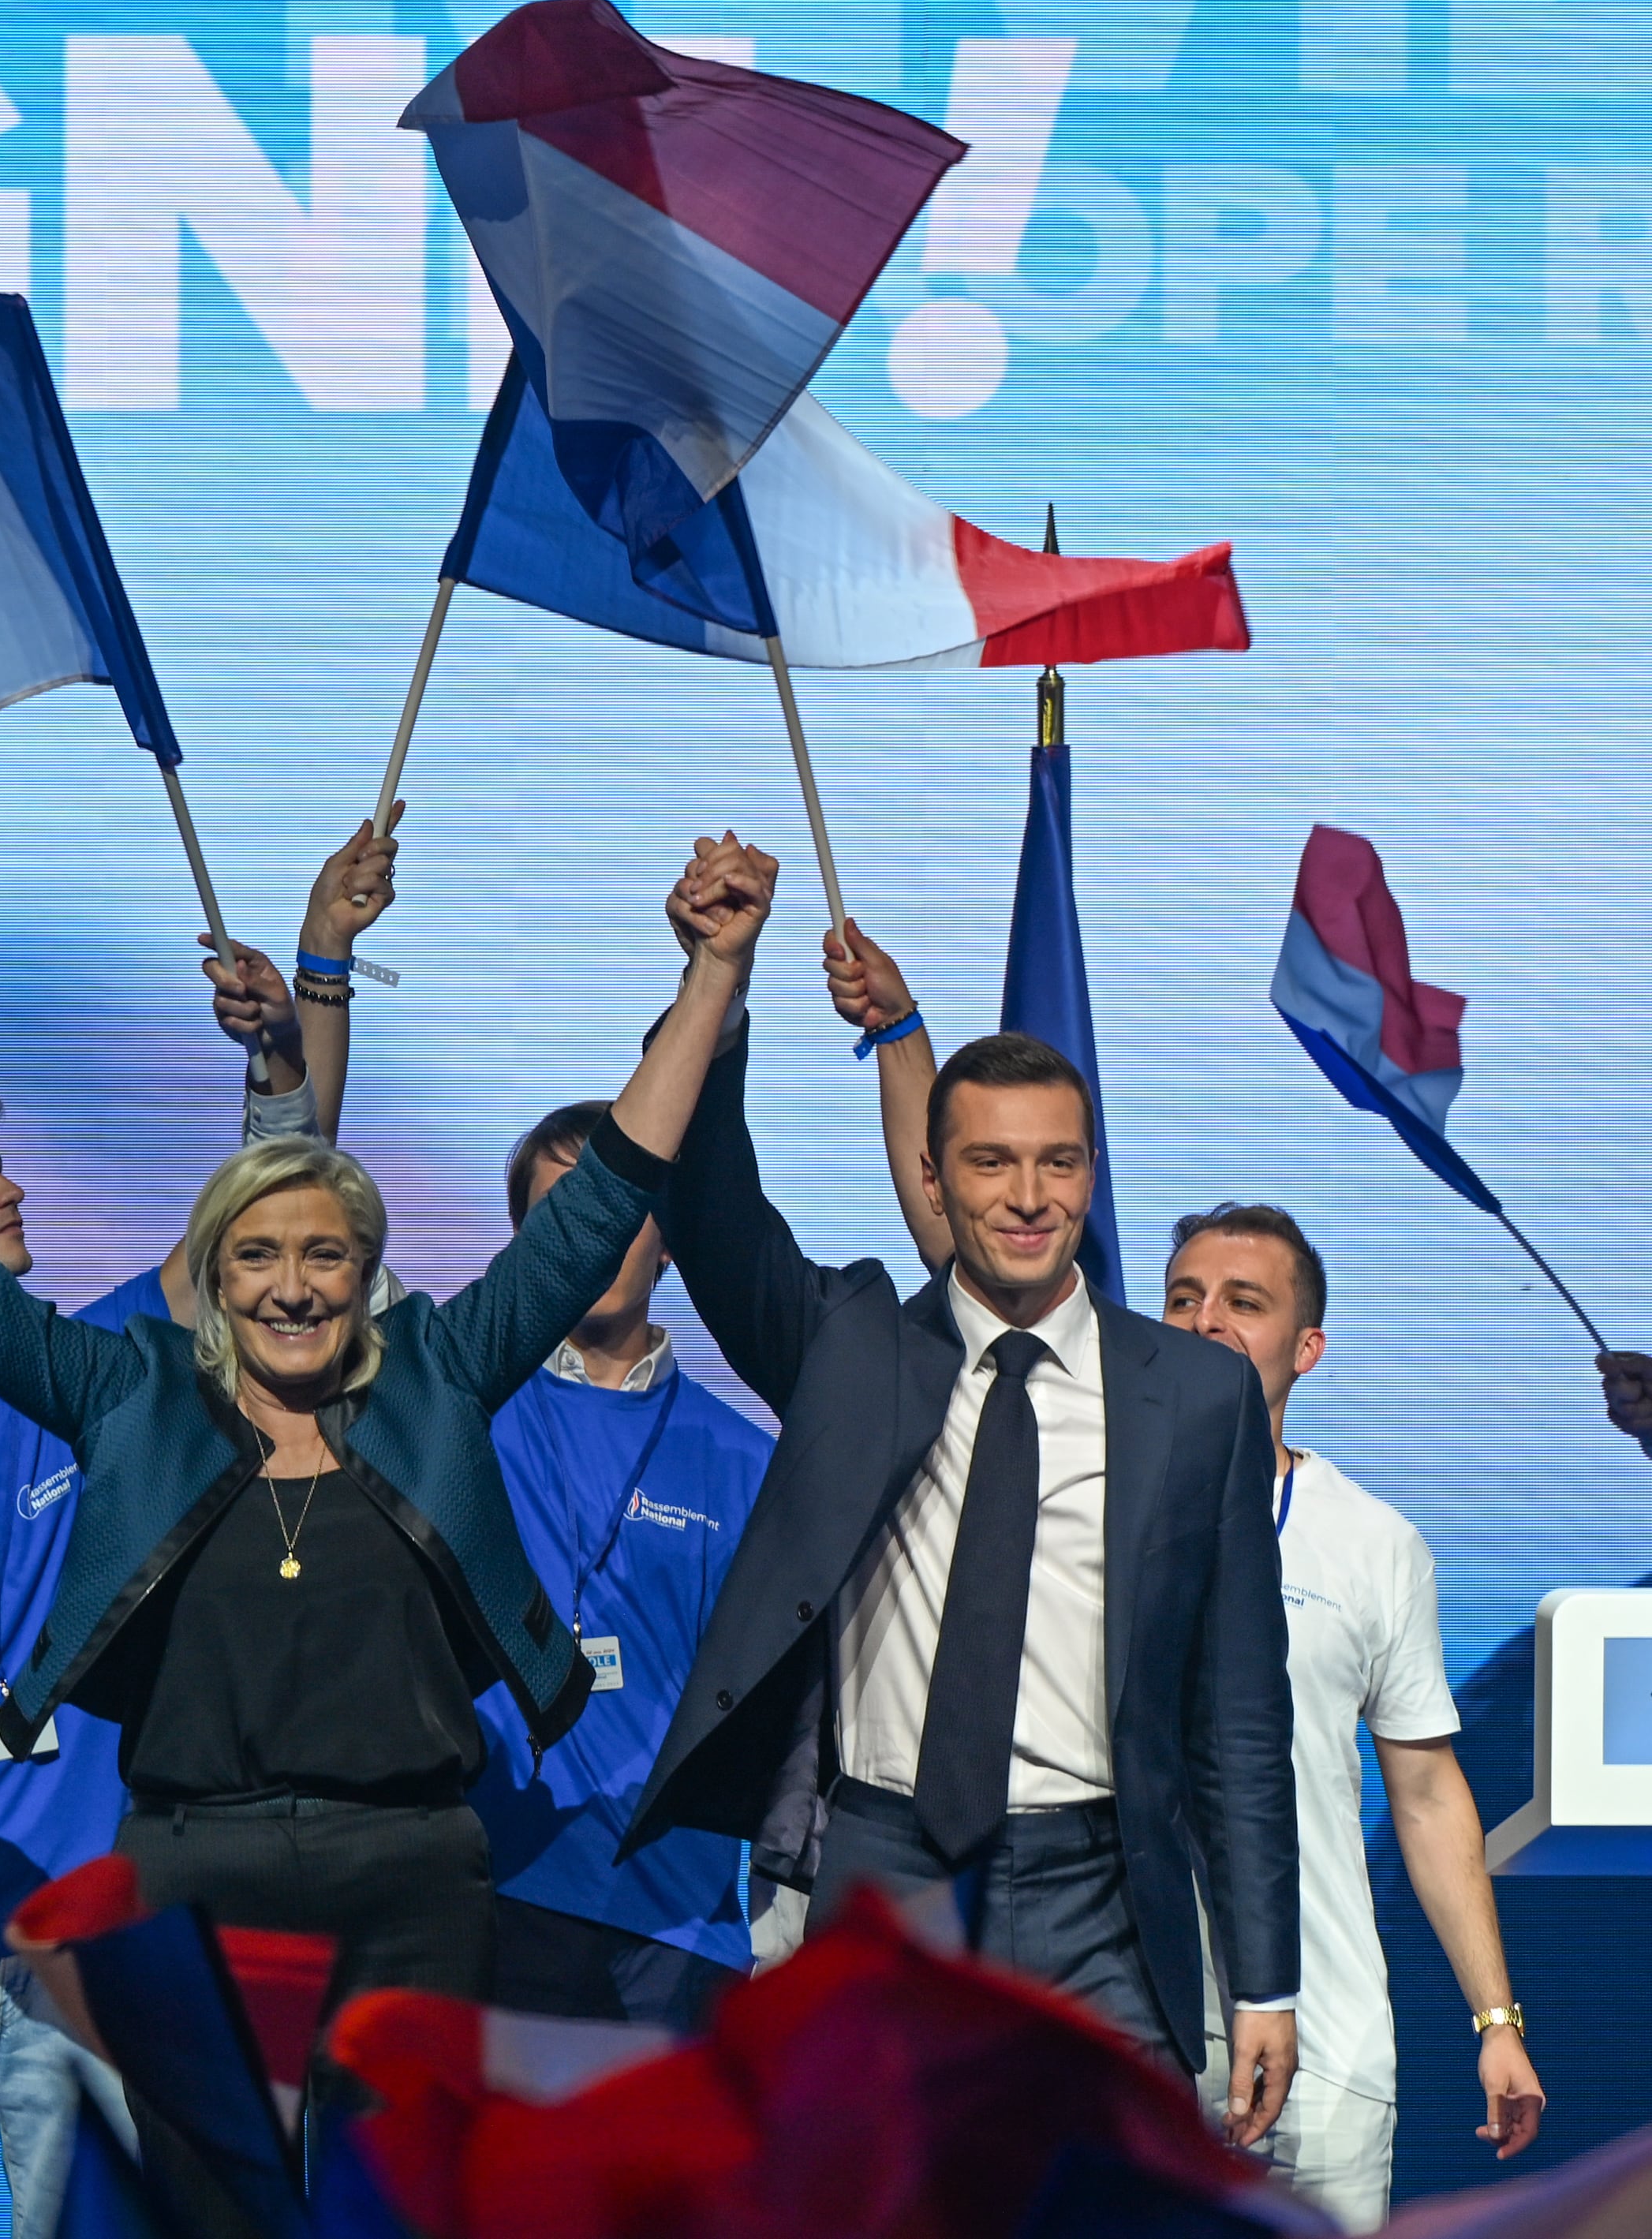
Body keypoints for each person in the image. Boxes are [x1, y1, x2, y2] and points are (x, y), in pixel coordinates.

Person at [0, 832, 752, 2044]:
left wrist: (712, 975)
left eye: (327, 1252)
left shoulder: (438, 1375)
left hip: (414, 1883)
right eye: (259, 1255)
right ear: (213, 1281)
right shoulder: (136, 1391)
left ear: (369, 1272)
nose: (293, 1286)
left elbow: (600, 1202)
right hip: (193, 1875)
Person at [0, 818, 398, 2239]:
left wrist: (299, 1007)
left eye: (2, 1165)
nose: (10, 1189)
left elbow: (274, 1193)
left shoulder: (107, 1371)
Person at [622, 855, 1301, 2148]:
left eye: (1058, 1164)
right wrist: (720, 979)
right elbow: (707, 1212)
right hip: (885, 1873)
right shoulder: (852, 1342)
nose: (1028, 1197)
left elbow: (1238, 1714)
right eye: (989, 1162)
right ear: (934, 1180)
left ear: (1093, 1178)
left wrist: (1265, 1973)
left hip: (1106, 1894)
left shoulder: (1198, 1395)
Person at [1161, 1204, 1545, 2225]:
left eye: (1245, 1303)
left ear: (1307, 1348)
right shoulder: (1093, 1515)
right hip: (1140, 2027)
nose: (1207, 1323)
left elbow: (1424, 1795)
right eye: (1184, 1299)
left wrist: (1495, 2020)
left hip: (1324, 2044)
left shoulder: (1375, 1543)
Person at [469, 1108, 772, 2030]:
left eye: (619, 1209)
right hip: (486, 1900)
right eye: (561, 1214)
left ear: (671, 1240)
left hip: (676, 1929)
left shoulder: (746, 1460)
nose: (591, 1237)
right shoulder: (456, 1418)